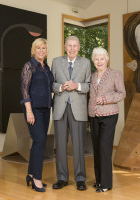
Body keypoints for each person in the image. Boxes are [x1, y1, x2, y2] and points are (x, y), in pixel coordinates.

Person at [51, 36, 91, 190]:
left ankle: (80, 179)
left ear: (79, 47)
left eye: (75, 46)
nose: (72, 48)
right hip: (60, 108)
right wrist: (61, 87)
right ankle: (62, 178)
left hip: (78, 109)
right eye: (69, 46)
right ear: (65, 47)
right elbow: (51, 84)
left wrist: (77, 86)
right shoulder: (56, 62)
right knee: (60, 145)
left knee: (79, 145)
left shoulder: (86, 63)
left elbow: (88, 85)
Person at [88, 47, 126, 193]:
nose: (99, 61)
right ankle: (98, 181)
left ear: (107, 59)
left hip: (109, 114)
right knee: (96, 148)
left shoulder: (115, 74)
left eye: (102, 58)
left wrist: (104, 99)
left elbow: (122, 94)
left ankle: (106, 183)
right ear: (93, 60)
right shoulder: (91, 76)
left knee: (104, 148)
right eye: (96, 59)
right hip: (94, 115)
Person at [20, 38, 54, 192]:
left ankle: (31, 174)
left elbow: (50, 88)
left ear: (46, 51)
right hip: (33, 109)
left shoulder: (46, 68)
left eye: (44, 48)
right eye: (38, 48)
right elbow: (24, 89)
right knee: (40, 141)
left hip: (46, 109)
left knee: (38, 142)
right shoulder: (29, 66)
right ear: (34, 50)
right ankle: (37, 179)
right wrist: (28, 111)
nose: (41, 51)